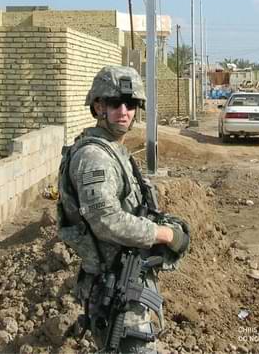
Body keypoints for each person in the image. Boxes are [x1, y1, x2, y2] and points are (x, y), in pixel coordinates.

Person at [56, 65, 190, 353]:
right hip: (115, 289)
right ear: (98, 106)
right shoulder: (95, 157)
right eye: (115, 103)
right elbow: (106, 220)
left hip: (123, 280)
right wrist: (163, 234)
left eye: (131, 104)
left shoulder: (112, 149)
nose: (124, 111)